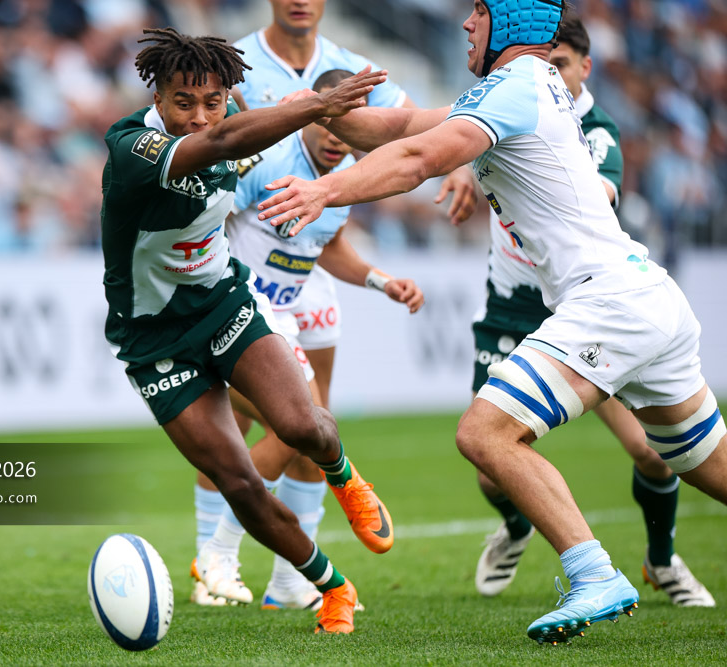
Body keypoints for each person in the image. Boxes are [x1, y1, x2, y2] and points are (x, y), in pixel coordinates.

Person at [255, 0, 727, 643]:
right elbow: (398, 126)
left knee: (485, 435)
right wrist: (318, 109)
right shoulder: (523, 88)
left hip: (609, 303)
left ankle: (595, 574)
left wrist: (324, 190)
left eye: (478, 13)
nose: (466, 25)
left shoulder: (519, 85)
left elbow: (420, 158)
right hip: (645, 298)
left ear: (509, 23)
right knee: (707, 465)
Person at [189, 0, 479, 608]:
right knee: (291, 427)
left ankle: (287, 584)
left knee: (310, 429)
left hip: (294, 302)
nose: (335, 138)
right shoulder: (264, 157)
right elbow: (206, 208)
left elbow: (330, 241)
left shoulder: (344, 166)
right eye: (324, 125)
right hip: (236, 308)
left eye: (345, 129)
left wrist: (380, 280)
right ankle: (215, 555)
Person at [102, 27, 392, 634]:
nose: (200, 116)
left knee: (301, 424)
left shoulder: (233, 114)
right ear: (157, 97)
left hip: (223, 303)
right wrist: (317, 105)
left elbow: (246, 126)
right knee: (239, 481)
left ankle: (347, 479)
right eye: (183, 102)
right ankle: (332, 587)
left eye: (212, 101)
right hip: (154, 339)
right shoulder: (133, 148)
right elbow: (229, 138)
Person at [471, 13, 714, 607]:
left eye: (559, 65)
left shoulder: (592, 129)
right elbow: (453, 140)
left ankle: (653, 561)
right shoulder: (498, 104)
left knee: (643, 451)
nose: (547, 73)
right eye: (542, 62)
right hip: (518, 306)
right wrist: (462, 174)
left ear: (583, 69)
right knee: (490, 461)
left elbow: (593, 192)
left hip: (594, 306)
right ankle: (520, 524)